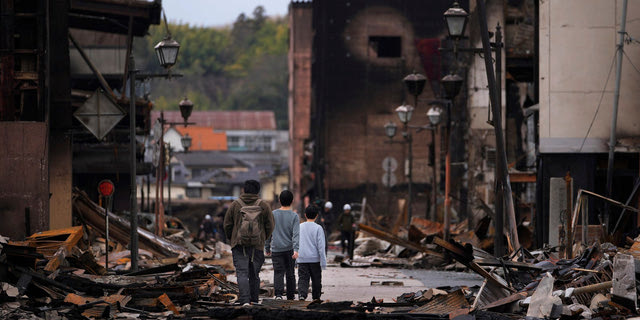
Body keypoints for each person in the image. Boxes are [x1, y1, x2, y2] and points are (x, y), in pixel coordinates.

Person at [224, 180, 275, 305]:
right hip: (257, 245)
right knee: (254, 273)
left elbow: (227, 225)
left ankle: (244, 300)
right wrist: (262, 238)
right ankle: (254, 300)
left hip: (239, 245)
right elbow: (270, 225)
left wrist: (233, 239)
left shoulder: (235, 205)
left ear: (244, 190)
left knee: (242, 273)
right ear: (258, 191)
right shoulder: (264, 205)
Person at [265, 190, 300, 300]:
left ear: (279, 200)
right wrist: (296, 249)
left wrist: (267, 246)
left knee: (278, 272)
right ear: (292, 201)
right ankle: (290, 295)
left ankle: (278, 295)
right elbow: (296, 234)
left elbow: (268, 232)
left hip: (276, 249)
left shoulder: (273, 214)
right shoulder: (294, 216)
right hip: (290, 249)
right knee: (290, 273)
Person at [297, 205, 327, 301]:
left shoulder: (299, 227)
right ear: (317, 215)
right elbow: (321, 247)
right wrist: (323, 262)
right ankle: (316, 297)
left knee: (303, 278)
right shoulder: (318, 228)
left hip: (302, 258)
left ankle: (302, 294)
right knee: (316, 279)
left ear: (305, 215)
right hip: (315, 259)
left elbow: (295, 242)